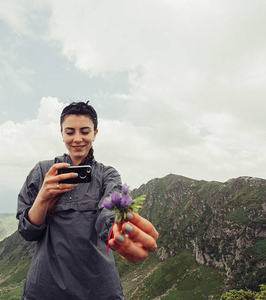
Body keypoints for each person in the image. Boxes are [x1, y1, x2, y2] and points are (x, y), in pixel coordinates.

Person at [16, 101, 159, 300]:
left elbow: (108, 216)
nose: (77, 139)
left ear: (95, 133)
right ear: (62, 133)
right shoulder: (42, 171)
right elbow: (27, 231)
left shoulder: (107, 175)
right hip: (45, 288)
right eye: (70, 132)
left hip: (99, 289)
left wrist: (117, 230)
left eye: (84, 131)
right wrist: (43, 196)